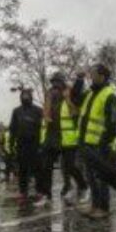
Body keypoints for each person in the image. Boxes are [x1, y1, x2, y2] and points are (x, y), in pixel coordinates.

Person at [74, 63, 116, 218]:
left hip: (99, 145)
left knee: (101, 177)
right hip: (86, 142)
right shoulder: (89, 93)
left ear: (103, 76)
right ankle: (95, 205)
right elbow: (75, 100)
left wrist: (103, 143)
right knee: (90, 176)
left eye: (93, 74)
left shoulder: (110, 95)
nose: (91, 76)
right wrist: (79, 80)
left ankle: (104, 208)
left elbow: (113, 124)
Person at [38, 72, 86, 202]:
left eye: (57, 82)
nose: (55, 85)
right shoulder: (49, 95)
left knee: (70, 167)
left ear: (62, 83)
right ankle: (46, 194)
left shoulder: (70, 94)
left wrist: (68, 99)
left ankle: (83, 186)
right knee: (46, 166)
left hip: (67, 137)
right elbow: (45, 114)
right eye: (53, 82)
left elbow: (76, 113)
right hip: (51, 136)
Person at [9, 88, 43, 201]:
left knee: (37, 169)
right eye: (23, 95)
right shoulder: (16, 111)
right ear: (21, 97)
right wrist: (11, 143)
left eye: (27, 95)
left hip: (35, 144)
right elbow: (12, 128)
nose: (25, 97)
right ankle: (23, 191)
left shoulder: (38, 110)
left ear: (31, 97)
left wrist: (41, 144)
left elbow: (42, 128)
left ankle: (39, 191)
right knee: (22, 169)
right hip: (21, 144)